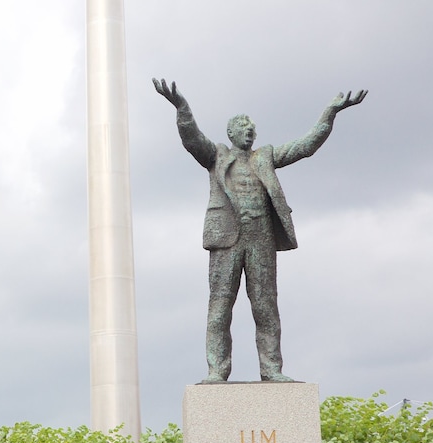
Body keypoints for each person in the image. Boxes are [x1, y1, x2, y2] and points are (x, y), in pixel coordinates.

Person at [153, 78, 366, 384]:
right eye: (244, 127)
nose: (250, 131)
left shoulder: (264, 156)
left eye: (252, 127)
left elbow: (305, 146)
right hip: (226, 239)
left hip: (261, 240)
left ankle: (271, 369)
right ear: (231, 133)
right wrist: (181, 107)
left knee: (266, 308)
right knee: (220, 308)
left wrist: (329, 114)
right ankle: (217, 370)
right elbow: (191, 138)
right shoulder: (216, 156)